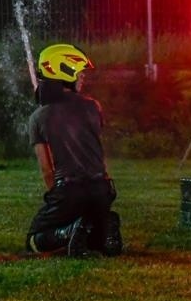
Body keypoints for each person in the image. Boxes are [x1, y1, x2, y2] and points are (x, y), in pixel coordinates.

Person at [23, 44, 122, 257]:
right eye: (80, 72)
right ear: (65, 72)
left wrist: (56, 199)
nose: (83, 77)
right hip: (102, 189)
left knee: (34, 239)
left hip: (69, 191)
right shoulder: (94, 107)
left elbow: (47, 170)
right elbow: (95, 152)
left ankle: (67, 232)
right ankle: (103, 231)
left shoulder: (38, 117)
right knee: (88, 228)